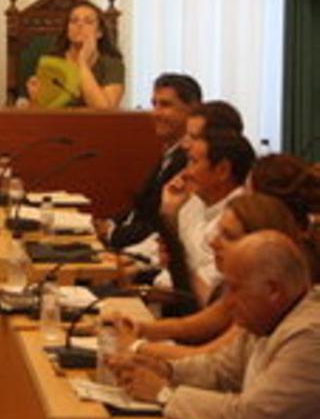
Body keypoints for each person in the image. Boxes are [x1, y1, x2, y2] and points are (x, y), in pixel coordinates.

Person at [110, 232, 320, 419]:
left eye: (236, 288)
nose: (228, 302)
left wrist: (164, 394)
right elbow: (220, 370)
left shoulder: (310, 336)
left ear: (273, 291)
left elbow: (250, 416)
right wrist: (166, 370)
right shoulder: (269, 317)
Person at [113, 194, 306, 361]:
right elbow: (189, 326)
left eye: (228, 236)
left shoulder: (260, 300)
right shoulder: (235, 284)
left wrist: (135, 346)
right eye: (218, 232)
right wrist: (138, 328)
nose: (214, 242)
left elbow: (207, 358)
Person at [102, 73, 202, 250]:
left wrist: (111, 233)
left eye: (165, 105)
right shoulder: (170, 153)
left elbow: (158, 225)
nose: (155, 113)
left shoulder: (189, 160)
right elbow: (139, 208)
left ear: (193, 110)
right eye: (154, 104)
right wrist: (108, 223)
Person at [160, 127, 255, 308]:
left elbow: (208, 298)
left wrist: (178, 261)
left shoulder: (237, 220)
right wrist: (169, 213)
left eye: (193, 162)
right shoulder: (193, 202)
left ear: (222, 170)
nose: (186, 172)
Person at [26, 2, 125, 109]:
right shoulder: (53, 62)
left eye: (88, 21)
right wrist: (34, 99)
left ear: (99, 32)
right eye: (74, 21)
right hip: (57, 123)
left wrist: (82, 62)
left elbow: (105, 111)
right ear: (67, 30)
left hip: (97, 125)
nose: (80, 24)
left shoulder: (113, 64)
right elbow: (39, 113)